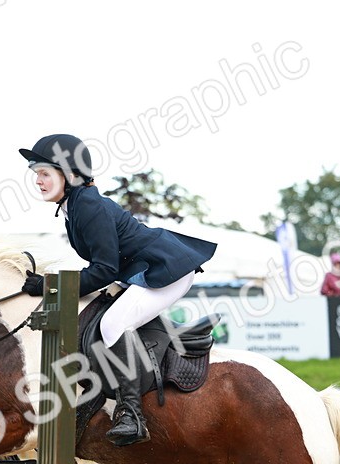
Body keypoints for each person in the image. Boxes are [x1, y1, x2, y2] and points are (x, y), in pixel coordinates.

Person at [18, 134, 217, 447]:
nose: (38, 181)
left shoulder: (88, 207)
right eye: (37, 175)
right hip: (139, 271)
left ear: (70, 175)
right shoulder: (74, 206)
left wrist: (50, 285)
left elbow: (104, 270)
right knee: (100, 314)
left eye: (44, 174)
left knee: (113, 324)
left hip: (163, 271)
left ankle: (131, 413)